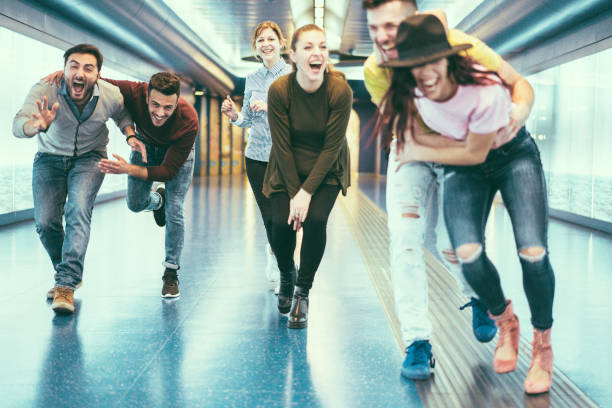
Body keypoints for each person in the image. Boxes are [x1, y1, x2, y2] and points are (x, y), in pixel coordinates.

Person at [377, 14, 555, 395]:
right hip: (464, 161)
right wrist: (412, 149)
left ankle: (542, 345)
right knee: (465, 252)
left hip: (510, 155)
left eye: (431, 60)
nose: (424, 72)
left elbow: (474, 152)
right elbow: (453, 147)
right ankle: (504, 317)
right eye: (414, 65)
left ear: (448, 54)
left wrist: (415, 148)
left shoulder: (482, 87)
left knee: (532, 251)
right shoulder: (411, 91)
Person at [12, 44, 134, 314]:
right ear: (64, 69)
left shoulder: (110, 94)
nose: (80, 73)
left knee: (78, 209)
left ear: (98, 74)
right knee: (45, 222)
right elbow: (17, 123)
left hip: (90, 157)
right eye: (74, 66)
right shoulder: (45, 88)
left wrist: (129, 134)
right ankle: (65, 271)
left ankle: (65, 285)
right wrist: (36, 126)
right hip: (49, 158)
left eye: (88, 68)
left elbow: (122, 114)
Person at [263, 24, 352, 329]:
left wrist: (305, 194)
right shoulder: (279, 91)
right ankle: (287, 273)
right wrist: (293, 193)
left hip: (327, 166)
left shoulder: (340, 91)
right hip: (287, 163)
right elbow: (282, 146)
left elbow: (332, 148)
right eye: (309, 47)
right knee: (279, 225)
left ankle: (303, 290)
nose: (317, 53)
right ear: (294, 55)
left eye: (323, 47)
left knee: (314, 220)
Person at [221, 21, 292, 294]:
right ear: (255, 47)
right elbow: (247, 120)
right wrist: (233, 115)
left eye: (271, 39)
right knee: (268, 217)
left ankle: (283, 262)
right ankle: (275, 260)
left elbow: (298, 118)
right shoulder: (251, 79)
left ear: (280, 43)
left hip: (285, 157)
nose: (266, 44)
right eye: (261, 40)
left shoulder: (291, 76)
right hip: (256, 157)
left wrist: (271, 107)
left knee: (283, 216)